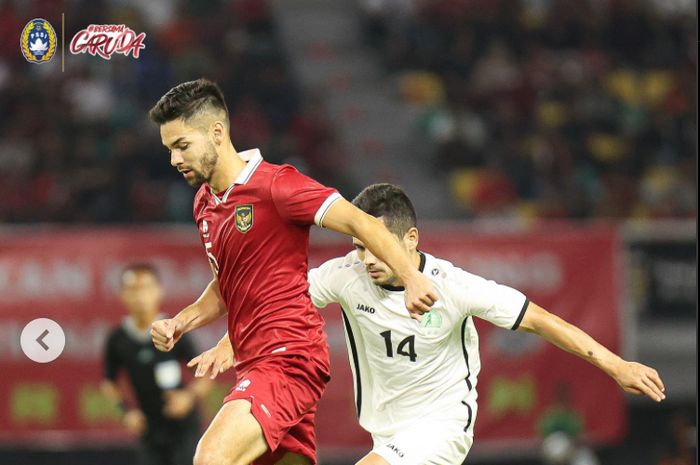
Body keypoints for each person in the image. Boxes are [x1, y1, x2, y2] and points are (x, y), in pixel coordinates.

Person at [190, 183, 666, 465]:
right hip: (384, 429)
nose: (366, 257)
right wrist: (229, 345)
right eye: (359, 245)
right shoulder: (346, 276)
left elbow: (542, 321)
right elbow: (278, 308)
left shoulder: (453, 286)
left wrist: (617, 364)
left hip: (441, 426)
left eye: (376, 245)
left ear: (410, 239)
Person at [147, 80, 436, 465]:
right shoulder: (204, 203)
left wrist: (412, 276)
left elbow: (362, 223)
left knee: (211, 458)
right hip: (256, 363)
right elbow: (228, 281)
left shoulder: (277, 185)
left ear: (217, 133)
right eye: (169, 149)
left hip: (287, 358)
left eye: (182, 146)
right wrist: (180, 322)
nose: (174, 160)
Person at [101, 263, 213, 465]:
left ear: (158, 291)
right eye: (133, 289)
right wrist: (126, 412)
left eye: (146, 287)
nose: (140, 295)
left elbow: (205, 374)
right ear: (123, 294)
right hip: (149, 428)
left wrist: (187, 397)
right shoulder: (118, 339)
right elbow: (109, 382)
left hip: (183, 427)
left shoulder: (173, 331)